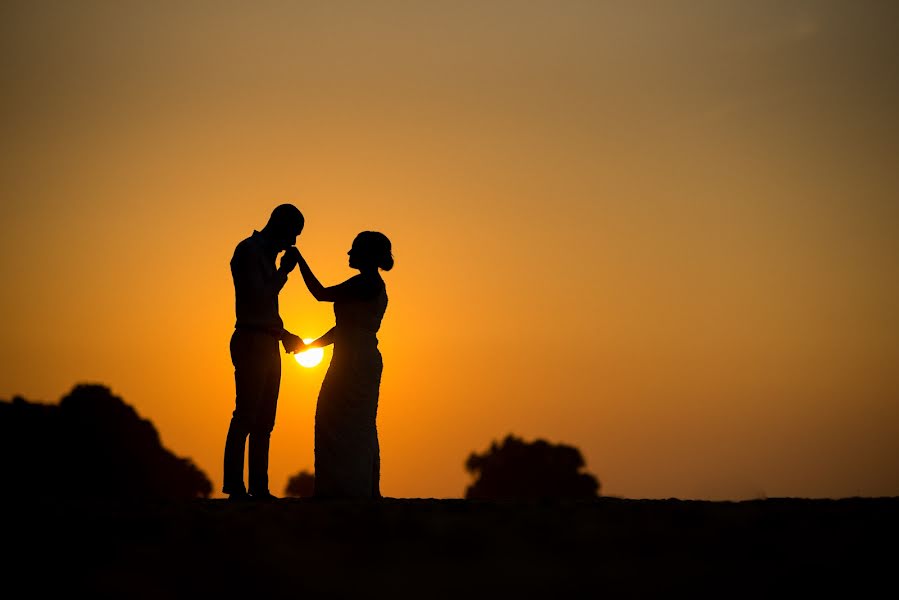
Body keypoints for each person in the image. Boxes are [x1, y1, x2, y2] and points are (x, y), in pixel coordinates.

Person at [288, 231, 393, 499]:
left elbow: (320, 294)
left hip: (355, 361)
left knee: (348, 422)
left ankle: (352, 489)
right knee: (345, 421)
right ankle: (350, 488)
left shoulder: (366, 284)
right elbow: (341, 329)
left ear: (366, 255)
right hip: (353, 356)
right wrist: (309, 347)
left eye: (354, 249)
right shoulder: (366, 284)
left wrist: (299, 260)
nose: (348, 254)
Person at [223, 204, 306, 501]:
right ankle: (235, 486)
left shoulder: (266, 255)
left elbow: (267, 307)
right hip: (250, 340)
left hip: (269, 341)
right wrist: (283, 273)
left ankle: (259, 487)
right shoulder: (248, 251)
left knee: (265, 421)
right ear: (280, 226)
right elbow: (257, 297)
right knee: (245, 414)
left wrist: (284, 335)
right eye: (293, 234)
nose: (293, 243)